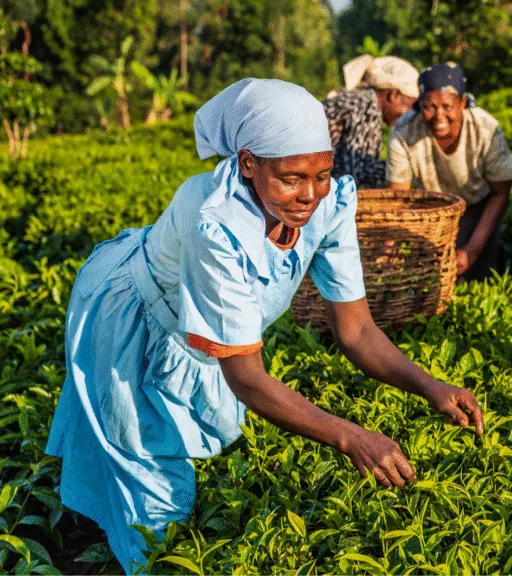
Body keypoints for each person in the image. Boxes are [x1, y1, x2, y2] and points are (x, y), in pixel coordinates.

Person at [44, 79, 484, 572]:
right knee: (154, 490)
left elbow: (356, 329)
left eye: (321, 174)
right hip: (135, 317)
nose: (309, 195)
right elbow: (247, 377)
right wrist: (351, 436)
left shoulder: (331, 204)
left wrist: (431, 386)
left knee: (187, 440)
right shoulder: (214, 221)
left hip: (200, 332)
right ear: (248, 163)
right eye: (291, 178)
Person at [387, 62, 512, 282]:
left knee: (477, 277)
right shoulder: (403, 130)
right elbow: (399, 199)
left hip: (478, 207)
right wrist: (392, 249)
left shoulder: (485, 128)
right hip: (431, 209)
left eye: (447, 106)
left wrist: (471, 251)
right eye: (429, 107)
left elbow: (500, 193)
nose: (439, 116)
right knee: (433, 280)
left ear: (462, 103)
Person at [323, 55, 420, 187]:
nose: (409, 115)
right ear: (394, 95)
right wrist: (405, 168)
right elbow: (356, 173)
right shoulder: (368, 105)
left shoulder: (361, 97)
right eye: (410, 106)